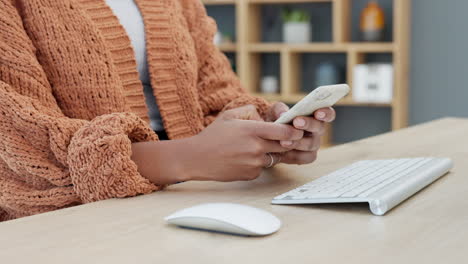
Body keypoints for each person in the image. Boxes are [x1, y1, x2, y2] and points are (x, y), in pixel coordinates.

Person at [0, 0, 335, 221]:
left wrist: (266, 133)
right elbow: (18, 153)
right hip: (70, 223)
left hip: (186, 199)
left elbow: (215, 92)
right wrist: (189, 157)